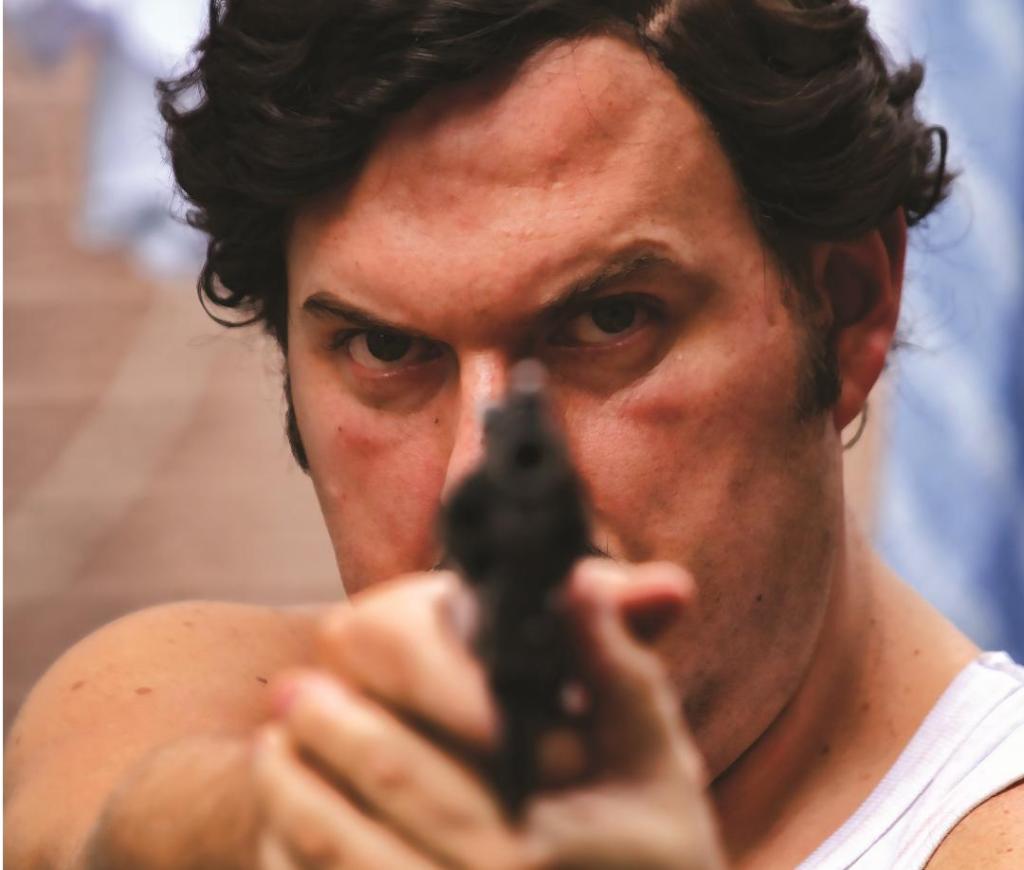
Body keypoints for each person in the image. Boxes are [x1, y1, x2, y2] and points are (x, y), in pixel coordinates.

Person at [5, 1, 1023, 867]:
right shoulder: (199, 697)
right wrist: (286, 822)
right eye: (385, 348)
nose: (473, 474)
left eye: (610, 321)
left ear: (847, 309)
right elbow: (93, 821)